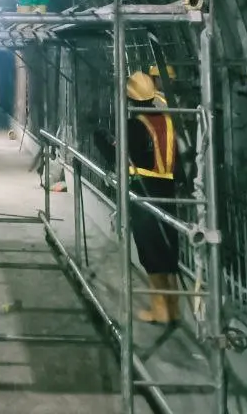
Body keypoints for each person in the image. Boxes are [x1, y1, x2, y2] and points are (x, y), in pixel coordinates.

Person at [93, 70, 180, 323]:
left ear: (129, 99)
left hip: (144, 191)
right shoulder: (167, 120)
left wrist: (101, 140)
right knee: (168, 249)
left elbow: (119, 159)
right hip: (168, 189)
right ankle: (174, 307)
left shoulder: (135, 125)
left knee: (150, 252)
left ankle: (160, 310)